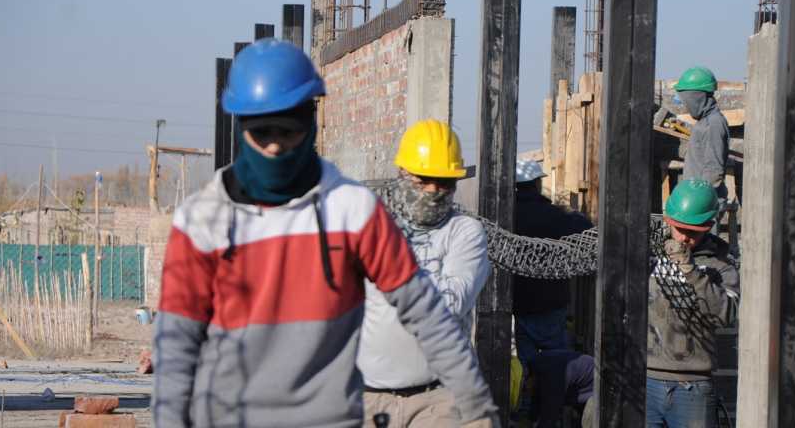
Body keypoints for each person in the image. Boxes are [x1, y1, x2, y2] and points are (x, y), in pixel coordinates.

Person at [152, 39, 497, 428]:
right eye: (263, 132)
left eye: (288, 130)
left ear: (310, 122)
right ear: (241, 125)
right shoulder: (201, 221)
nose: (275, 147)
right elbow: (178, 347)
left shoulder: (352, 211)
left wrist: (475, 409)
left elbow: (432, 317)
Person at [358, 119, 492, 428]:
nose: (433, 191)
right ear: (402, 175)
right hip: (368, 399)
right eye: (423, 181)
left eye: (443, 182)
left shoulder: (464, 232)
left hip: (442, 401)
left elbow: (450, 304)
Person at [647, 179, 740, 428]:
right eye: (680, 229)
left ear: (708, 226)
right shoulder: (649, 255)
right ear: (668, 221)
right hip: (646, 379)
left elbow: (726, 314)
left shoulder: (721, 267)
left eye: (693, 232)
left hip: (693, 386)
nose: (685, 238)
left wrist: (691, 272)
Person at [511, 159, 593, 369]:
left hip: (518, 304)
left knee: (526, 365)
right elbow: (586, 229)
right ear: (537, 183)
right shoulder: (553, 215)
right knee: (556, 365)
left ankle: (528, 399)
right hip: (551, 302)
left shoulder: (507, 215)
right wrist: (573, 214)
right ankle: (553, 397)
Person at [673, 66, 730, 201]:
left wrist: (698, 203)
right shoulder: (705, 121)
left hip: (702, 203)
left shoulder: (713, 124)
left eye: (686, 100)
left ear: (696, 97)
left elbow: (713, 170)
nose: (685, 106)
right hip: (696, 199)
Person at [528, 349, 594, 428]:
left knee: (588, 423)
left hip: (597, 389)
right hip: (581, 384)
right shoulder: (537, 367)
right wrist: (531, 419)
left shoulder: (551, 375)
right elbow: (536, 402)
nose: (526, 392)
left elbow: (550, 415)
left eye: (524, 389)